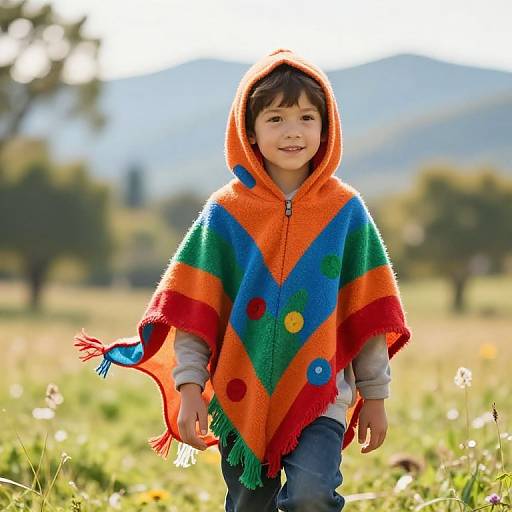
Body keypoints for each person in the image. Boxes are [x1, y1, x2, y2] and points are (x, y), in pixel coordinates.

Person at [74, 48, 411, 512]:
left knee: (312, 496)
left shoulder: (346, 213)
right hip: (240, 395)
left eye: (307, 117)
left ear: (326, 127)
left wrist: (375, 394)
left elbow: (366, 314)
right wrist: (190, 387)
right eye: (275, 118)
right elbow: (194, 311)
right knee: (248, 502)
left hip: (321, 395)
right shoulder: (226, 213)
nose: (293, 131)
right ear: (248, 130)